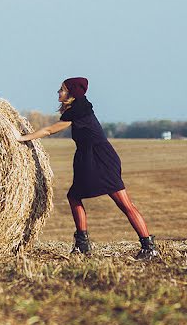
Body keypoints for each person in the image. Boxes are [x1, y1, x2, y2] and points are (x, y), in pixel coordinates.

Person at [17, 77, 160, 260]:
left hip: (100, 159)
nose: (58, 93)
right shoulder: (80, 109)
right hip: (90, 158)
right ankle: (83, 244)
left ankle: (147, 247)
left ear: (71, 93)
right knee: (75, 196)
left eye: (62, 89)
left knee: (123, 203)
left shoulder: (79, 111)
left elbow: (49, 130)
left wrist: (22, 138)